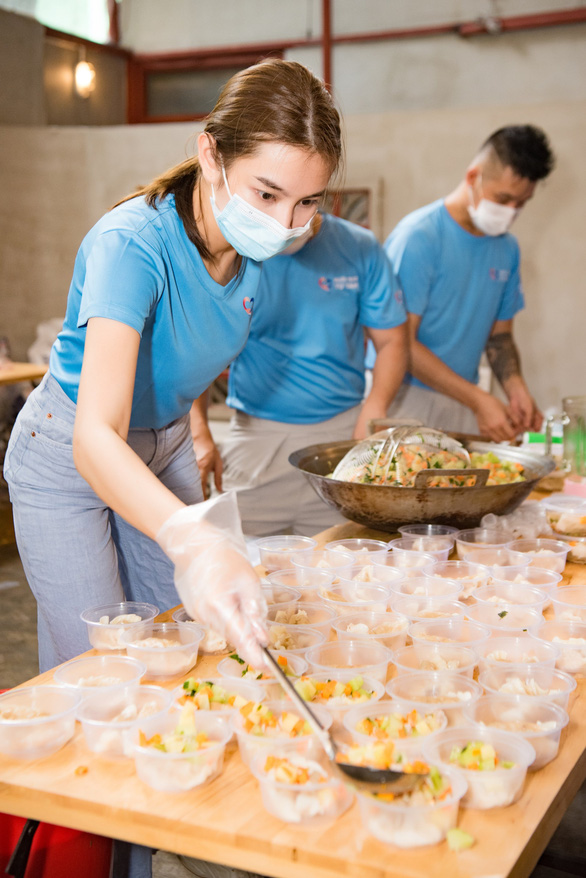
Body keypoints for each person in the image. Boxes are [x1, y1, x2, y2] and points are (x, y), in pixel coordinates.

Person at [3, 59, 341, 877]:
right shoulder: (131, 243)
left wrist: (192, 431)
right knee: (107, 667)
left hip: (155, 445)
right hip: (68, 454)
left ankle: (162, 832)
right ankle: (88, 854)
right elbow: (96, 434)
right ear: (211, 155)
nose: (288, 221)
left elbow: (180, 350)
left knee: (187, 644)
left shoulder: (259, 257)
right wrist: (192, 538)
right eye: (267, 194)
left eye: (307, 202)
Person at [192, 211, 407, 536]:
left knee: (342, 565)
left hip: (342, 439)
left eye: (304, 203)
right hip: (256, 438)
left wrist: (374, 409)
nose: (288, 217)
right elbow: (199, 348)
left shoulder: (359, 246)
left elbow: (391, 340)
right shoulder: (234, 249)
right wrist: (198, 432)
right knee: (240, 563)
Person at [382, 125, 555, 441]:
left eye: (521, 204)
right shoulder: (419, 238)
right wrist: (479, 399)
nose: (510, 212)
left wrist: (516, 389)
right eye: (504, 198)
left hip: (462, 399)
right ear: (473, 177)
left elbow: (499, 338)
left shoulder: (506, 248)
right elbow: (400, 344)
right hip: (404, 398)